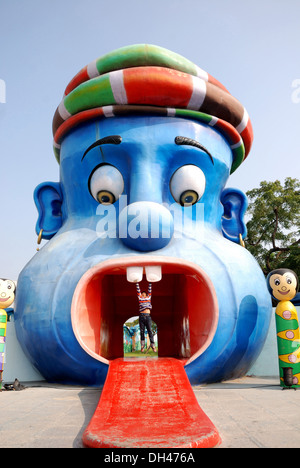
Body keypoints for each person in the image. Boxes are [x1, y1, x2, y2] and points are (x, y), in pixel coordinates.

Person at [136, 283, 156, 353]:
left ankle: (153, 345)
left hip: (148, 316)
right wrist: (137, 283)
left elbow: (150, 290)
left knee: (150, 331)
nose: (143, 294)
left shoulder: (148, 298)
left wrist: (150, 283)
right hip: (141, 316)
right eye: (142, 293)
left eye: (145, 293)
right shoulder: (140, 298)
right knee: (142, 331)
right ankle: (142, 346)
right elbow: (138, 290)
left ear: (147, 294)